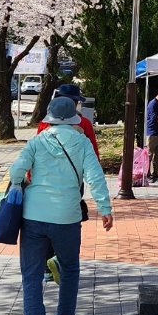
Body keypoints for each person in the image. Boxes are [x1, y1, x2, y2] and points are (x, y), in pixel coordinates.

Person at [9, 97, 113, 315]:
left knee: (31, 275)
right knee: (69, 268)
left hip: (33, 216)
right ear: (75, 116)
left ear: (49, 116)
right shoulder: (82, 142)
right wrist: (105, 208)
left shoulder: (37, 141)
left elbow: (15, 172)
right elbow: (96, 178)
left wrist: (20, 184)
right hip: (67, 216)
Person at [37, 83, 100, 284]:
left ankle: (47, 267)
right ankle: (62, 262)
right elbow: (94, 156)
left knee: (46, 222)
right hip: (72, 182)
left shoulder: (44, 124)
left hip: (46, 182)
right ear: (74, 103)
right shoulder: (84, 124)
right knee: (69, 224)